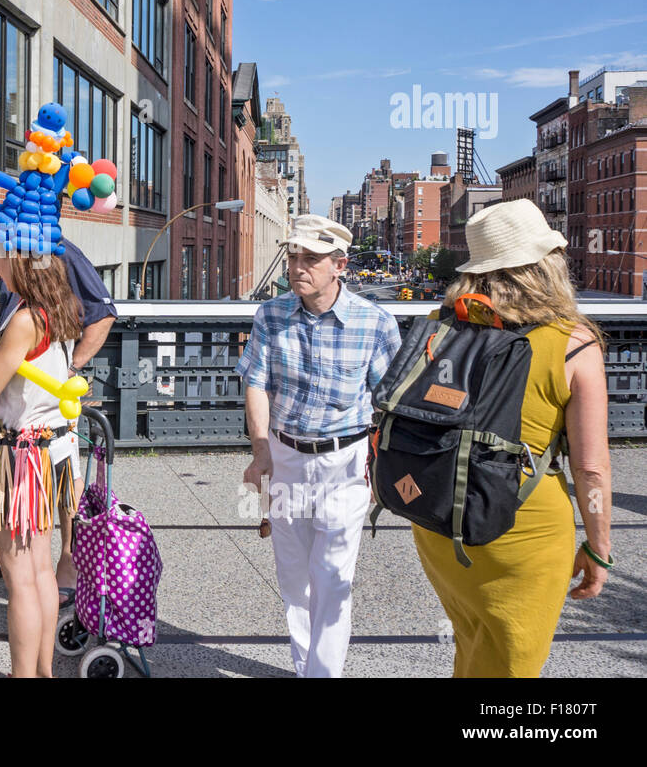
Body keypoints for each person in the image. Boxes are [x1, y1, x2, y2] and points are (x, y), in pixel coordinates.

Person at [414, 199, 612, 677]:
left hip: (438, 514)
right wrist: (599, 548)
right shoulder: (573, 341)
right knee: (512, 663)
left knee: (474, 641)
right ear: (546, 265)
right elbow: (590, 467)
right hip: (519, 525)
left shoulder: (442, 328)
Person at [236, 214, 401, 677]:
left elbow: (389, 402)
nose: (297, 267)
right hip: (284, 456)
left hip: (345, 461)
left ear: (340, 265)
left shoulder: (375, 323)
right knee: (293, 578)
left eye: (311, 258)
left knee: (332, 578)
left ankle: (322, 674)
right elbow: (255, 383)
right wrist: (261, 452)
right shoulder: (271, 314)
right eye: (293, 257)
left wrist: (381, 467)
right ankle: (304, 664)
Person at [0, 248, 81, 677]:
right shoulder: (58, 309)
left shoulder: (25, 319)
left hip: (14, 458)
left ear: (21, 262)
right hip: (47, 452)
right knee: (41, 571)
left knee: (19, 577)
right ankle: (42, 672)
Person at [0, 237, 116, 604]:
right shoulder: (16, 251)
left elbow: (102, 313)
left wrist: (68, 372)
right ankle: (21, 555)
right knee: (32, 487)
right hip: (18, 406)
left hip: (48, 407)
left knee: (63, 476)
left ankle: (69, 559)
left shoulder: (59, 249)